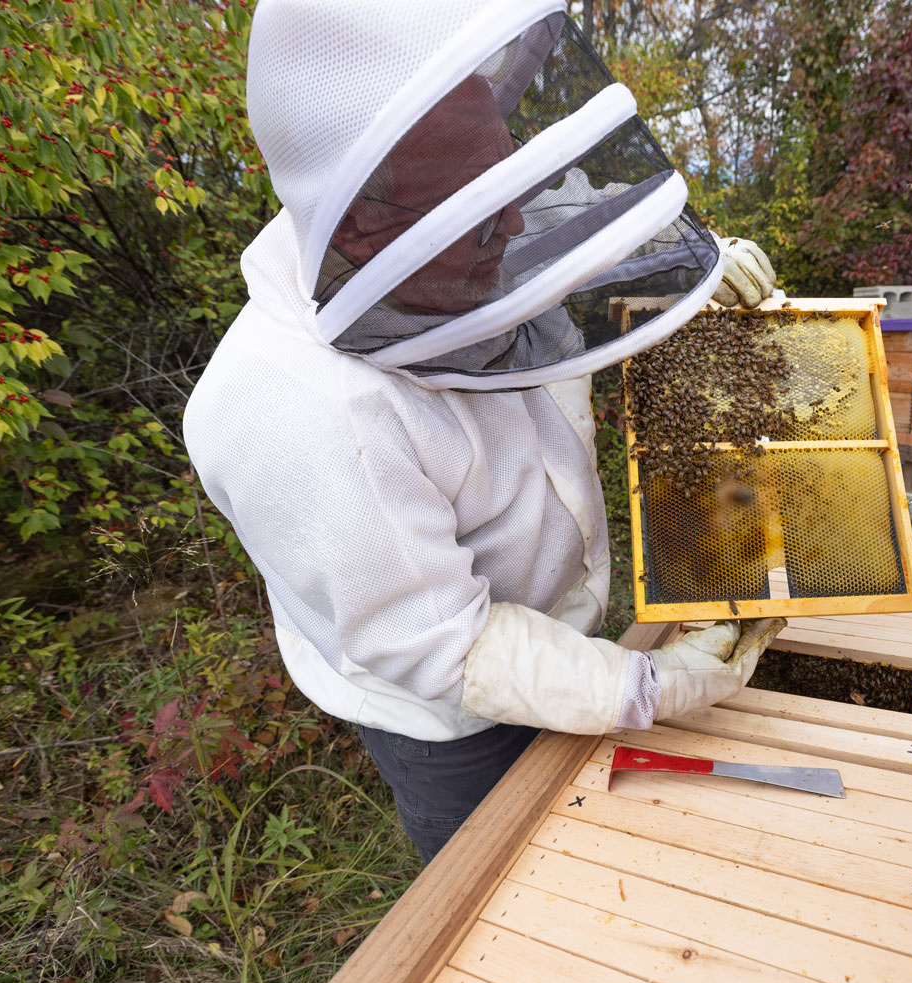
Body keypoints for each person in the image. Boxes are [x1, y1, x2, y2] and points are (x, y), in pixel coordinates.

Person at [184, 0, 784, 863]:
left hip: (557, 627)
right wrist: (650, 686)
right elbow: (450, 649)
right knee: (494, 878)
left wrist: (677, 253)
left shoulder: (436, 209)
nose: (511, 226)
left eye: (504, 177)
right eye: (478, 211)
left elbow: (553, 212)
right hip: (447, 716)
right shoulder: (296, 415)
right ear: (363, 228)